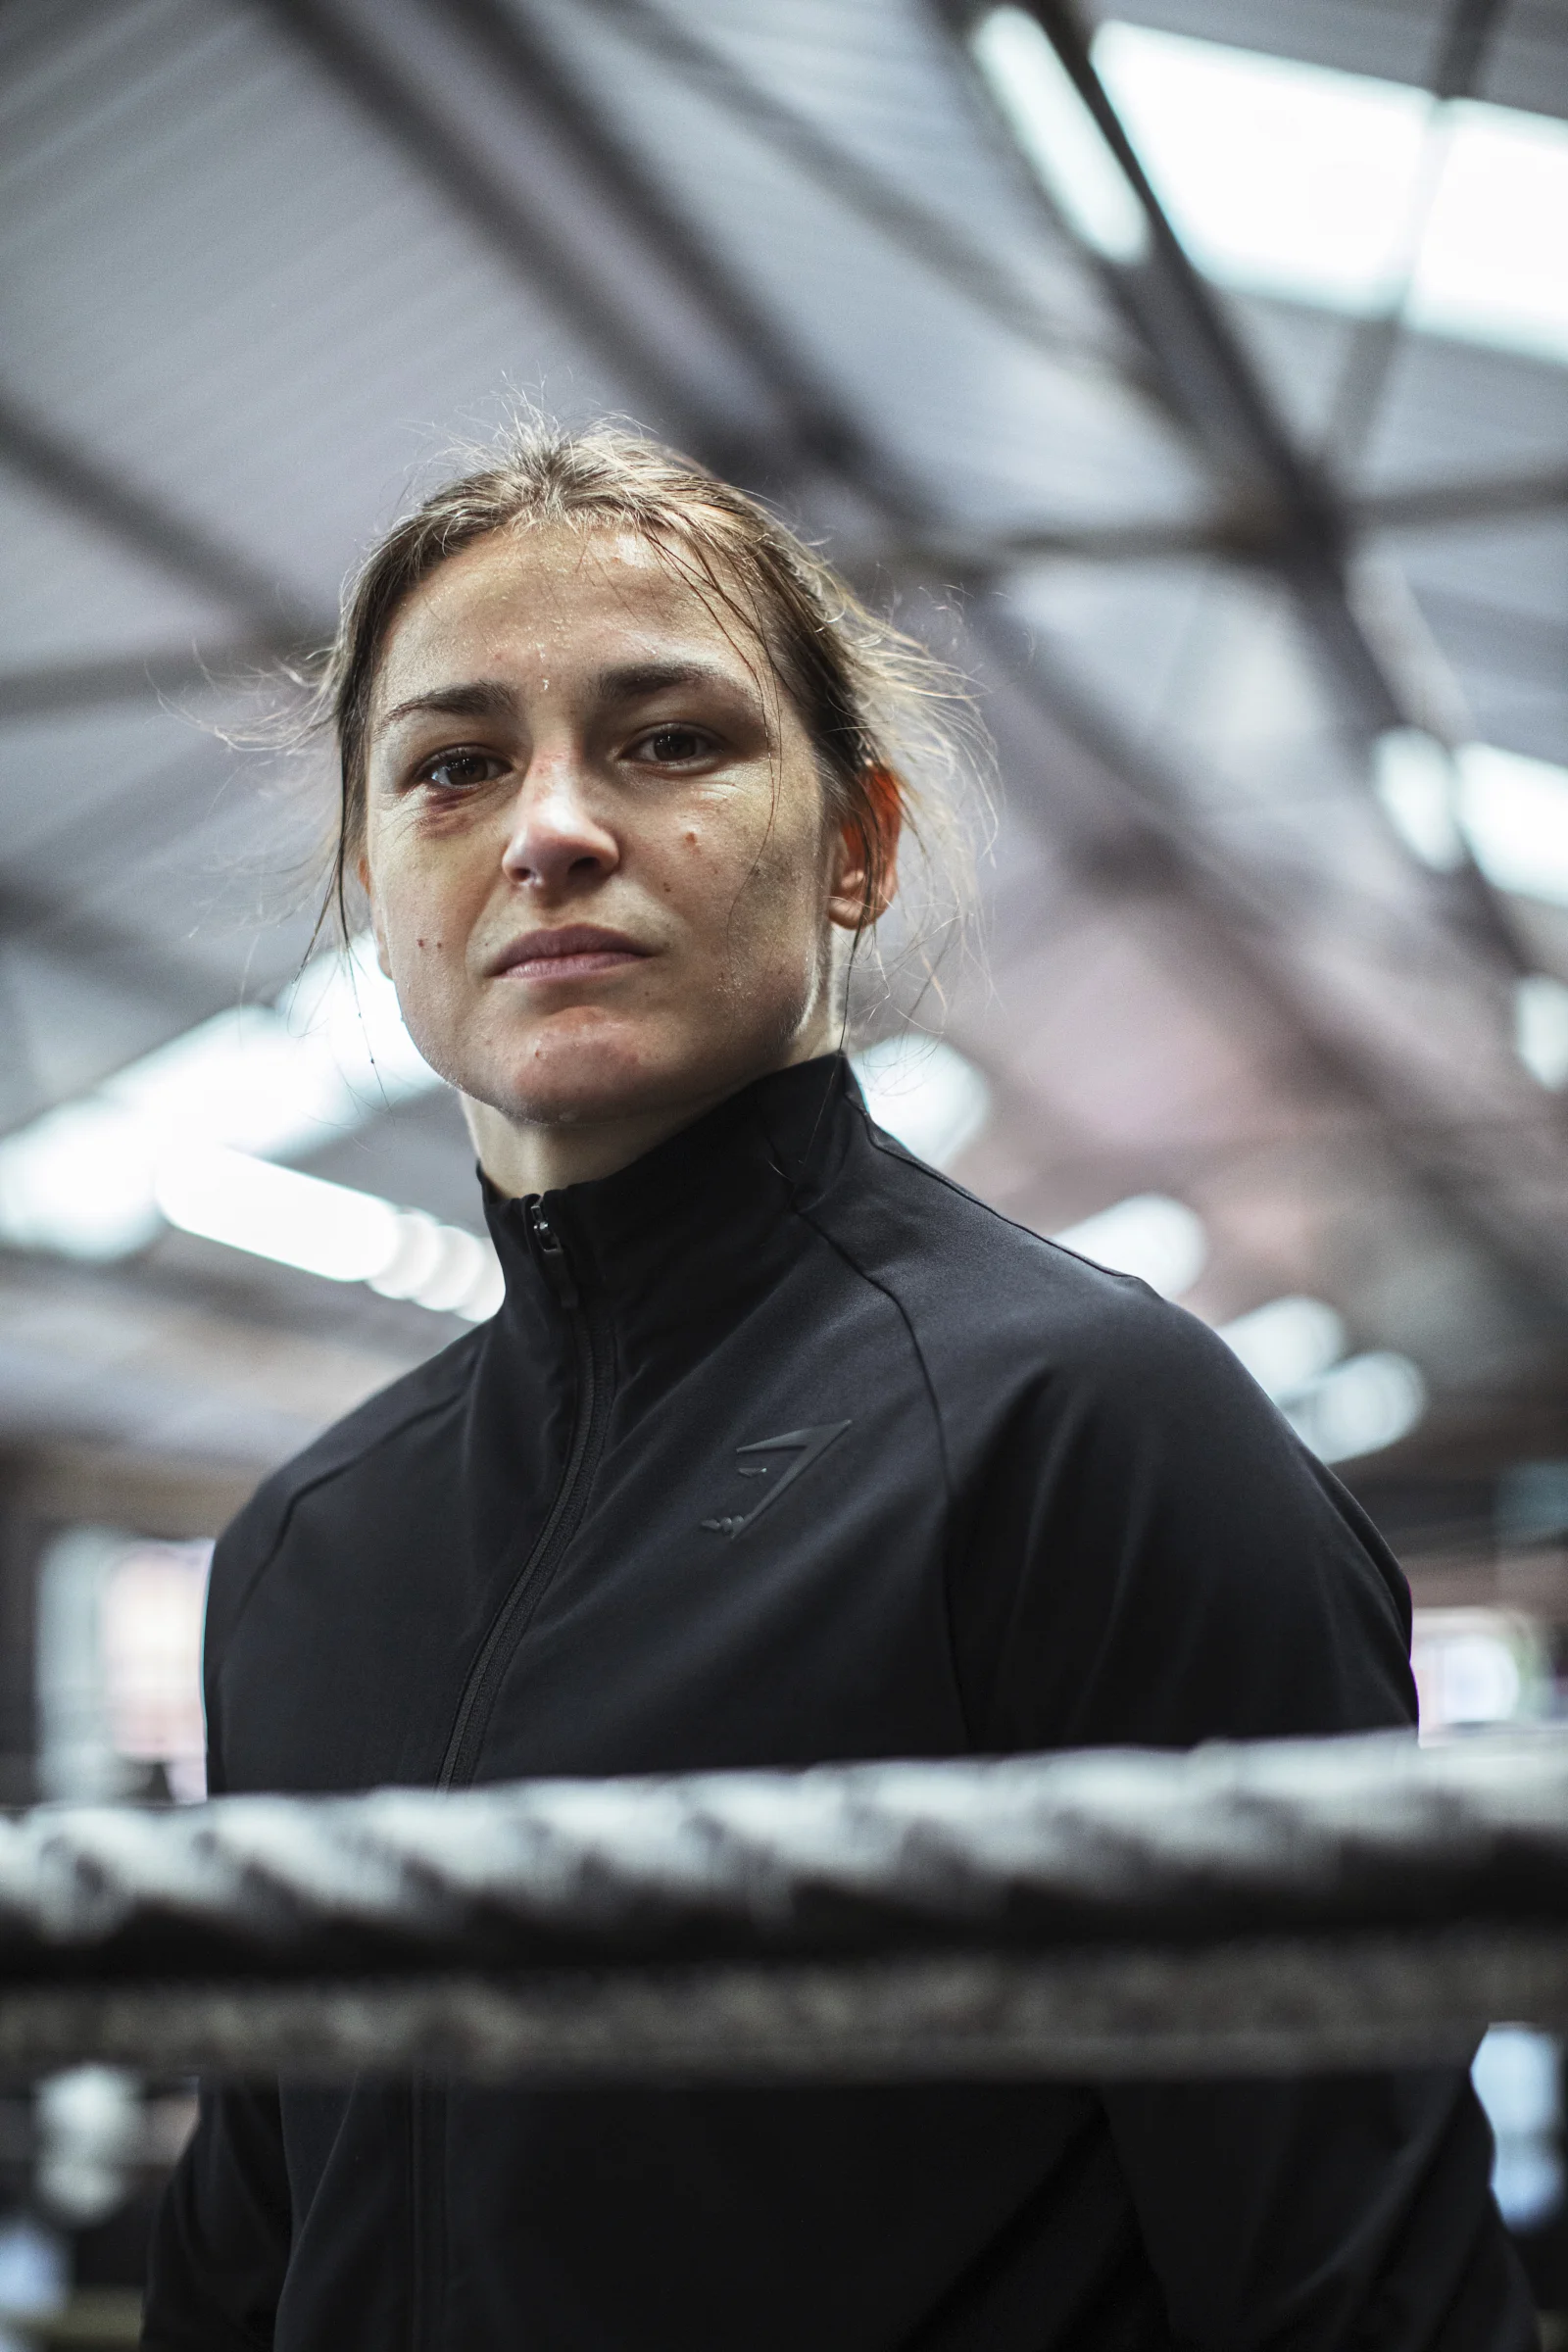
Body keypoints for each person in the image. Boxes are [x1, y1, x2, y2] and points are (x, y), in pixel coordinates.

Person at [143, 424, 1532, 2351]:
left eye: (667, 739)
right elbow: (243, 2263)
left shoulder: (1080, 1430)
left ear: (857, 846)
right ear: (379, 877)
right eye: (453, 766)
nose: (548, 827)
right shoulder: (307, 1547)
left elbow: (1351, 2294)